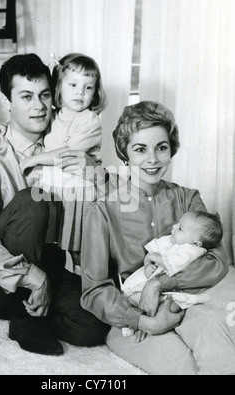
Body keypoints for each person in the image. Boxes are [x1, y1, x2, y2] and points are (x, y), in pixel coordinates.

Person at [0, 53, 109, 357]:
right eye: (26, 96)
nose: (38, 106)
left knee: (93, 324)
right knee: (33, 200)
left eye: (44, 95)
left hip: (47, 261)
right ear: (7, 102)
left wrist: (94, 170)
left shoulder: (64, 139)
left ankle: (15, 306)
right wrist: (33, 278)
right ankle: (25, 317)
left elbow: (102, 201)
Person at [80, 101, 233, 375]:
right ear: (124, 154)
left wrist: (158, 285)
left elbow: (217, 261)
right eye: (140, 149)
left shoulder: (188, 198)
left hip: (186, 304)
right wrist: (142, 321)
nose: (153, 159)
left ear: (171, 149)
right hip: (134, 317)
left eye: (161, 148)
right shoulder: (102, 210)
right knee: (182, 365)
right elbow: (93, 290)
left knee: (220, 347)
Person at [16, 53, 107, 269]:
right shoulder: (54, 115)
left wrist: (32, 160)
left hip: (78, 192)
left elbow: (68, 153)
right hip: (52, 189)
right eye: (73, 84)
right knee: (49, 243)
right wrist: (0, 130)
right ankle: (54, 283)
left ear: (95, 92)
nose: (80, 92)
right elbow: (26, 127)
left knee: (77, 249)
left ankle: (87, 286)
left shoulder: (90, 120)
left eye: (88, 87)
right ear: (59, 87)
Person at [120, 210, 223, 338]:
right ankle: (136, 322)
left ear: (196, 242)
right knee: (129, 299)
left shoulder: (191, 251)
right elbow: (151, 253)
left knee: (169, 306)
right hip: (149, 281)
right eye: (177, 223)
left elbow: (173, 263)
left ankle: (142, 323)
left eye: (180, 228)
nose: (173, 227)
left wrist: (156, 257)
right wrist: (148, 264)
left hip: (171, 291)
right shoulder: (170, 240)